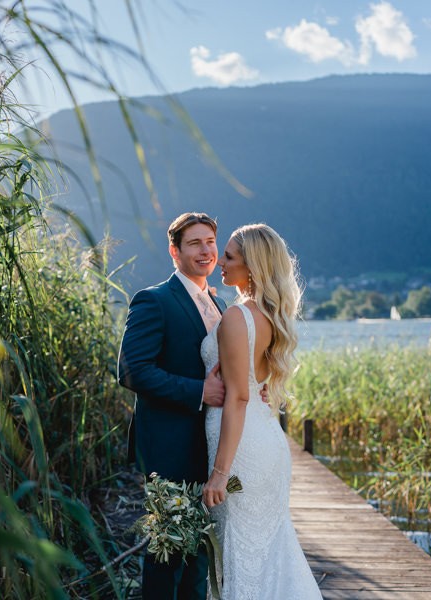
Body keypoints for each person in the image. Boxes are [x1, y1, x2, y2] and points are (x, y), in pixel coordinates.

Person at [201, 223, 322, 599]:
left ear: (252, 266)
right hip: (262, 438)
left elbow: (238, 397)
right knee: (265, 549)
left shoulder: (238, 318)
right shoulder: (267, 314)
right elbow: (254, 382)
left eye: (231, 256)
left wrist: (220, 475)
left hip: (242, 451)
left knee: (243, 551)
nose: (221, 260)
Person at [117, 212, 227, 599]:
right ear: (174, 251)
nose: (206, 250)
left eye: (211, 242)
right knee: (167, 552)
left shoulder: (220, 303)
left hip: (212, 446)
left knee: (198, 552)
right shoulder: (154, 300)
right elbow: (132, 371)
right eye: (195, 243)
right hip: (170, 446)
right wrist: (201, 392)